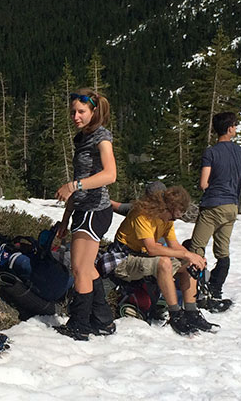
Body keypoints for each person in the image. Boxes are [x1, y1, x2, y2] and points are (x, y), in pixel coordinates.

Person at [104, 186, 216, 335]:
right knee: (164, 263)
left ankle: (191, 311)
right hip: (122, 259)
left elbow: (174, 244)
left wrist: (193, 257)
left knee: (190, 264)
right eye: (173, 217)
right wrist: (187, 255)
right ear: (165, 208)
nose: (173, 220)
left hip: (142, 257)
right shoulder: (142, 215)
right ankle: (175, 314)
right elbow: (151, 248)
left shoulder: (165, 218)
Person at [54, 88, 117, 340]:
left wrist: (74, 186)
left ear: (94, 111)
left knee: (79, 268)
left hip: (94, 210)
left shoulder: (102, 137)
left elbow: (110, 174)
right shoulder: (83, 138)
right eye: (73, 112)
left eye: (81, 111)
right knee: (87, 268)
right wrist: (65, 219)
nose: (76, 117)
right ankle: (102, 320)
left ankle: (80, 325)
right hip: (82, 209)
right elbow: (79, 179)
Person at [187, 111, 241, 309]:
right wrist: (234, 184)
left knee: (197, 248)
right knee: (223, 251)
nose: (235, 128)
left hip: (212, 206)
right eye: (234, 125)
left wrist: (217, 185)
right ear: (230, 129)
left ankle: (195, 292)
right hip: (231, 207)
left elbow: (203, 183)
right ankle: (215, 289)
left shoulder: (211, 152)